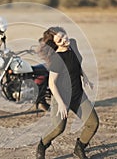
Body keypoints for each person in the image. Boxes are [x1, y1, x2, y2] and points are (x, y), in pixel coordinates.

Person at [36, 27, 99, 159]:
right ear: (55, 44)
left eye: (64, 35)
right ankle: (42, 144)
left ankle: (79, 148)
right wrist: (60, 103)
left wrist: (84, 76)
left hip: (78, 95)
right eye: (60, 40)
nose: (65, 40)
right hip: (62, 98)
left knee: (93, 123)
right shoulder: (57, 59)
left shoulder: (73, 44)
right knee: (59, 128)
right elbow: (52, 84)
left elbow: (76, 63)